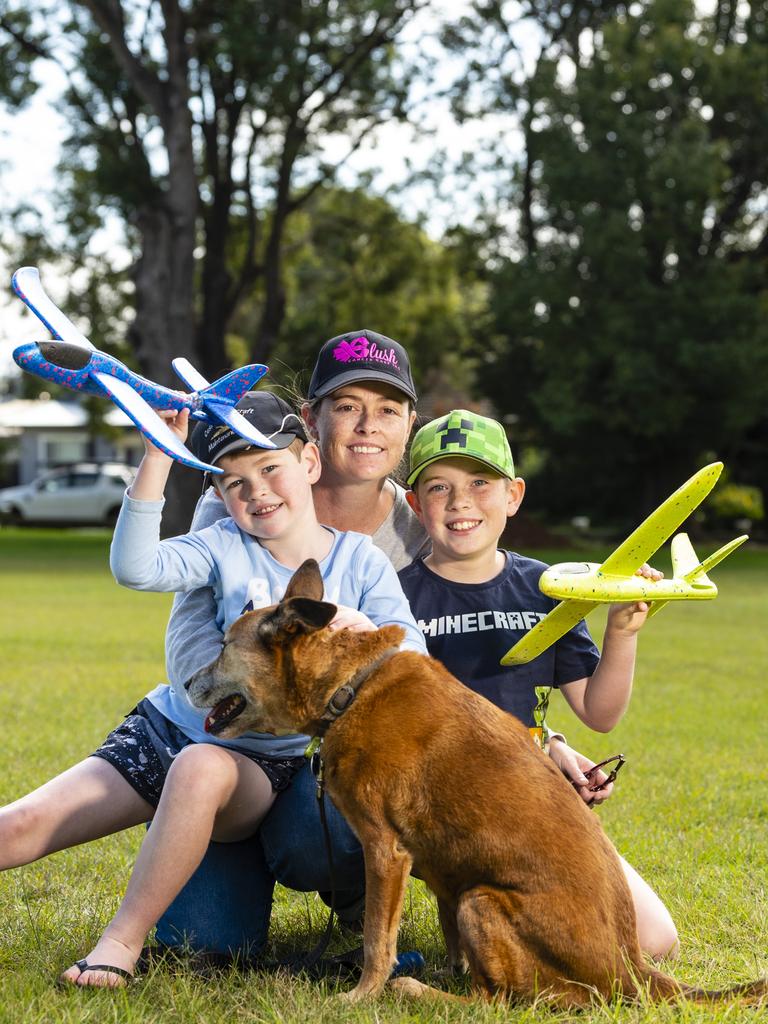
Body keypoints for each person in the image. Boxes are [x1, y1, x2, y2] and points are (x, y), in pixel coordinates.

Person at [155, 331, 616, 958]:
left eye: (388, 409)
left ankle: (354, 898)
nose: (367, 425)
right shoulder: (248, 495)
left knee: (652, 936)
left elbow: (444, 676)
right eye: (346, 407)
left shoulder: (429, 525)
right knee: (200, 948)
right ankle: (243, 854)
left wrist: (542, 744)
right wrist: (260, 722)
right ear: (312, 424)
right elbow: (193, 651)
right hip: (237, 747)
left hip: (351, 752)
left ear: (407, 425)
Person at [3, 389, 426, 989]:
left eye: (270, 468)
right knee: (17, 827)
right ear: (219, 495)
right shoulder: (221, 546)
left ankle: (119, 944)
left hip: (250, 765)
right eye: (233, 482)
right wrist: (156, 457)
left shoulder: (360, 561)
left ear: (308, 463)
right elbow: (136, 568)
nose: (256, 492)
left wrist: (360, 628)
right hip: (164, 730)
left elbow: (412, 649)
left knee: (203, 769)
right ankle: (172, 831)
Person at [398, 408, 679, 959]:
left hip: (533, 799)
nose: (460, 503)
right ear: (414, 504)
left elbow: (598, 713)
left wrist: (622, 630)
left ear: (513, 495)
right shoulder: (397, 596)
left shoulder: (544, 587)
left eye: (480, 483)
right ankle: (476, 915)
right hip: (443, 804)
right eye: (439, 487)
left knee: (654, 942)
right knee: (486, 953)